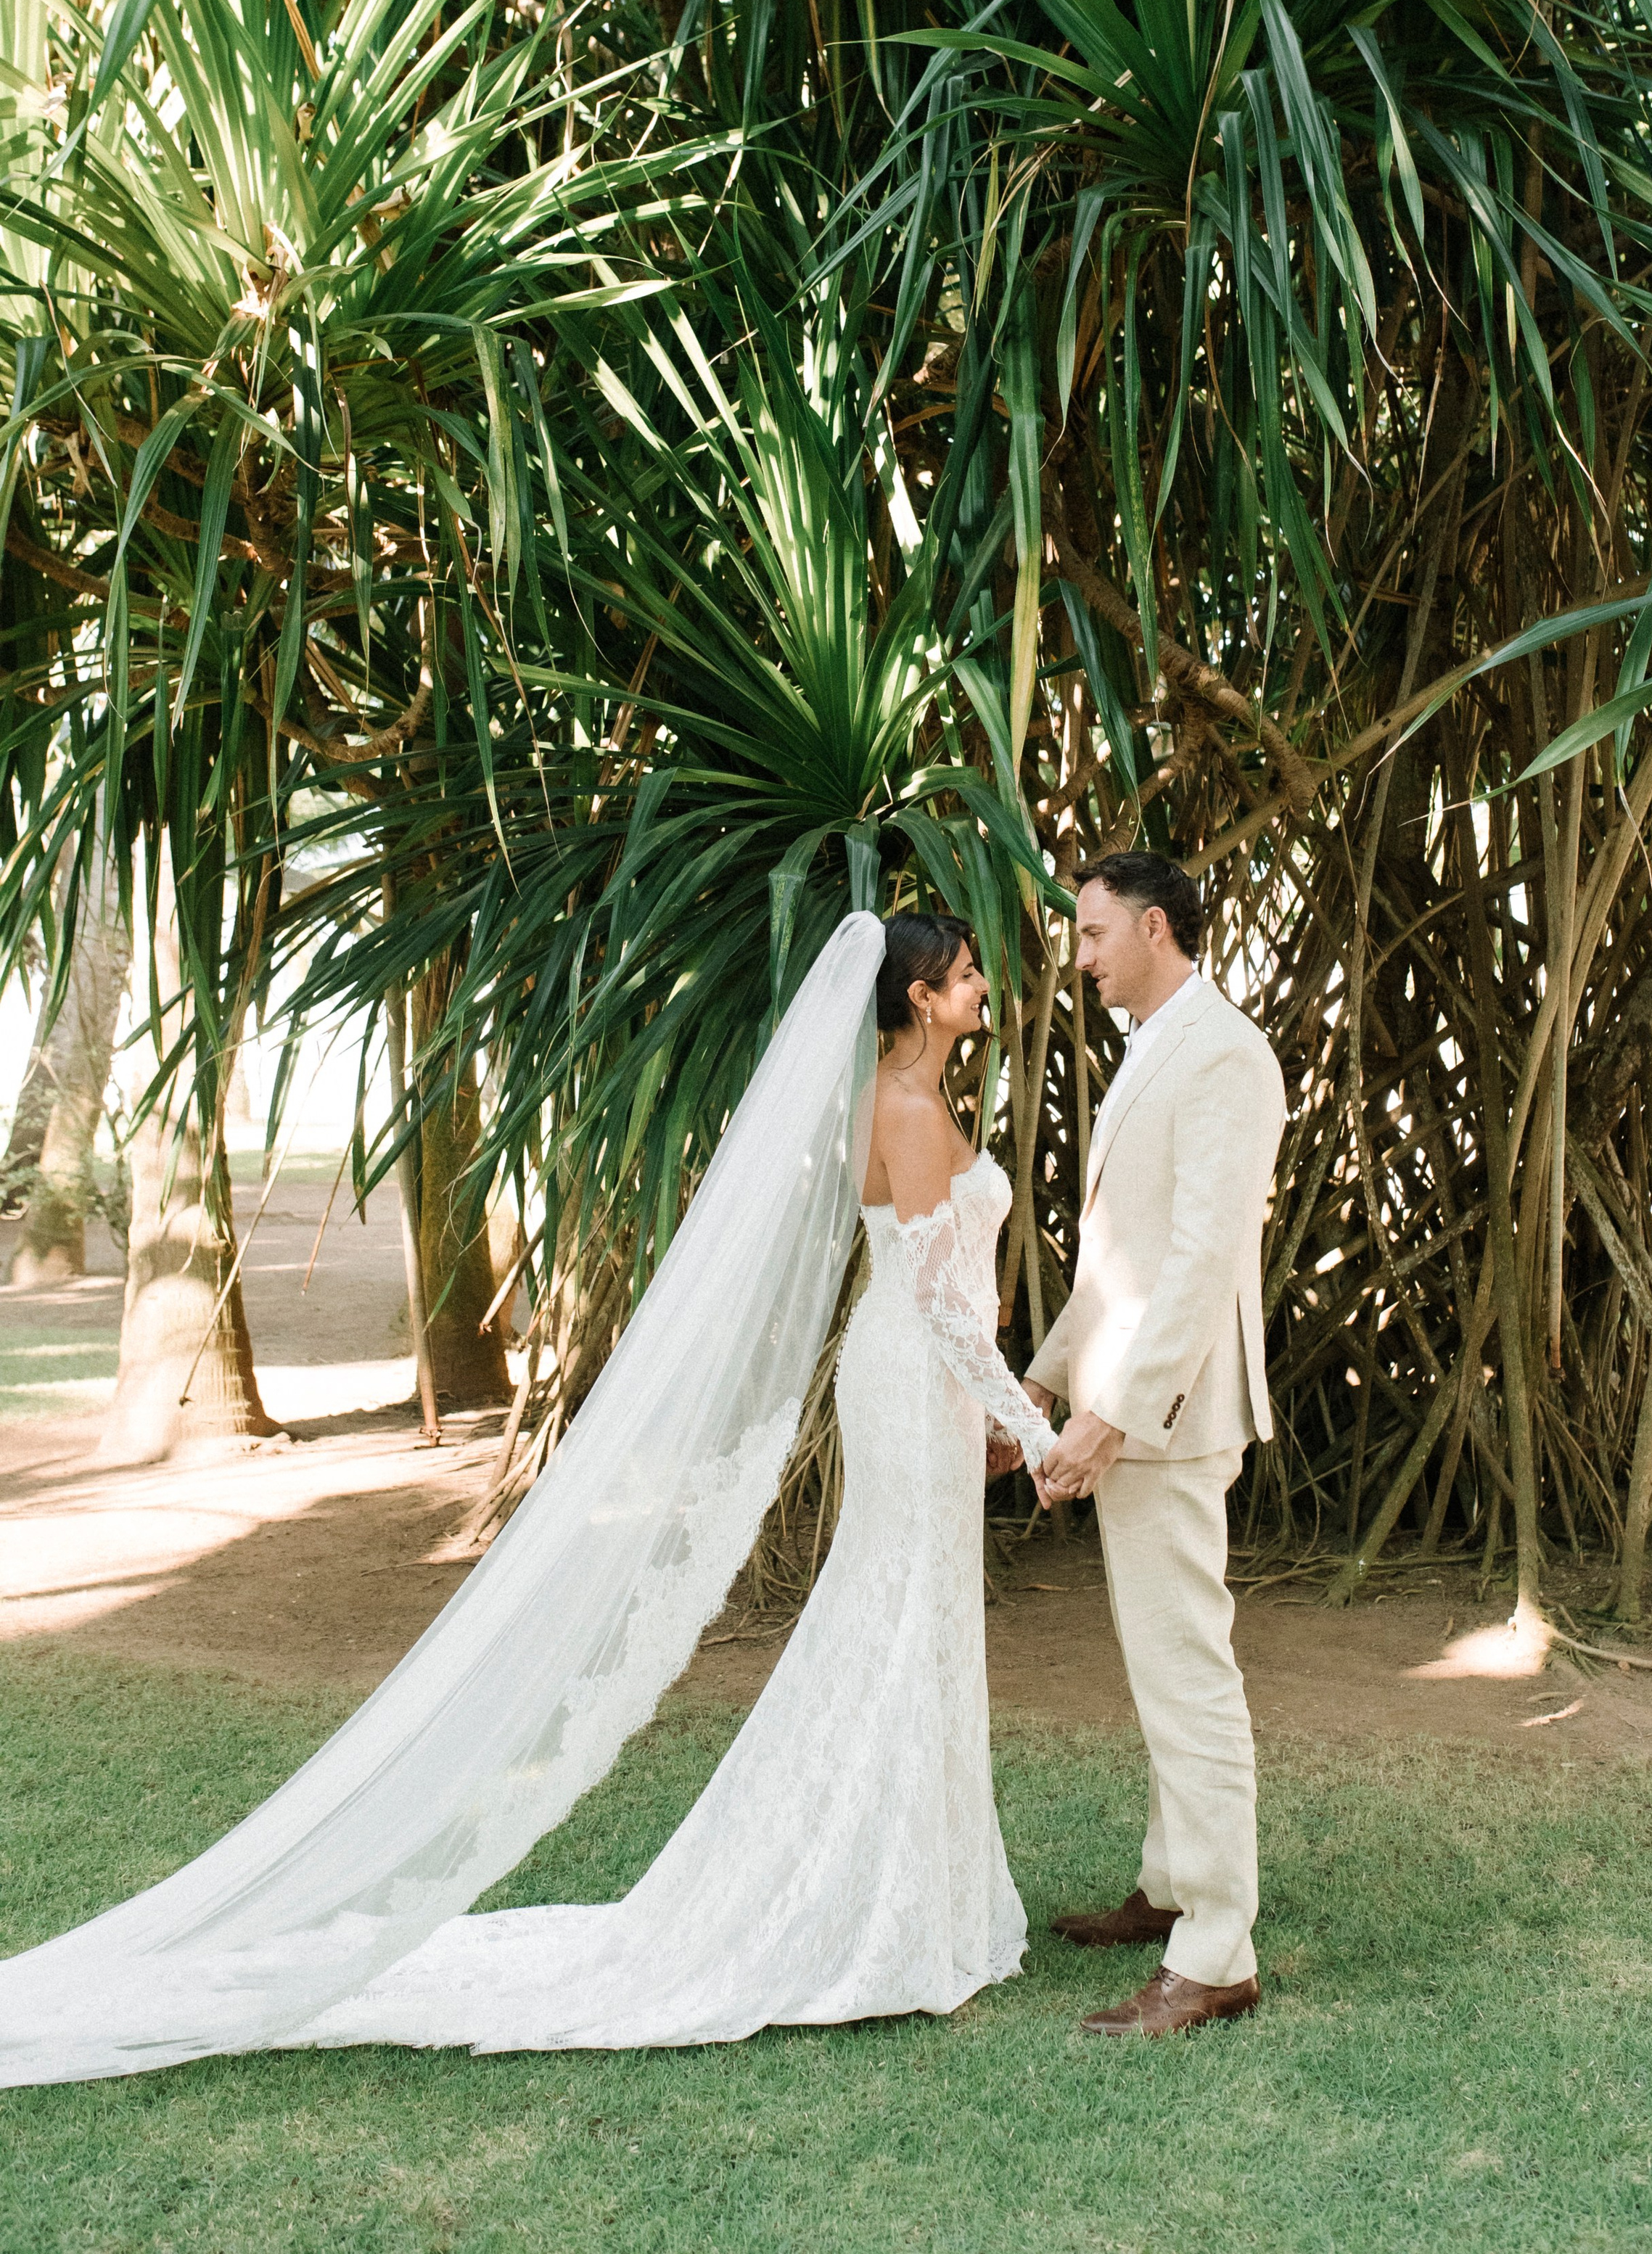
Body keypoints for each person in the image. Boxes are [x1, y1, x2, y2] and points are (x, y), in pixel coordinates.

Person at [0, 909, 1054, 2078]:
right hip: (914, 1382)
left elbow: (951, 1290)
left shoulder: (914, 1099)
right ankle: (875, 1897)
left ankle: (924, 1888)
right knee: (898, 1615)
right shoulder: (904, 1109)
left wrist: (991, 1410)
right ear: (919, 996)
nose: (980, 990)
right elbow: (939, 1298)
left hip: (930, 1387)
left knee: (922, 1619)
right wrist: (1030, 1420)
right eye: (963, 977)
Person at [1020, 850, 1285, 2041]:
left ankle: (1216, 1950)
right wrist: (1038, 1382)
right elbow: (1117, 1263)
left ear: (1156, 930)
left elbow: (1198, 1262)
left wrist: (1115, 1413)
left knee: (1189, 1673)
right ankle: (1175, 1883)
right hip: (1130, 1403)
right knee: (1158, 1661)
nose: (1080, 959)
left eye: (1092, 935)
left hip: (1171, 1421)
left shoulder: (1224, 1053)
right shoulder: (1158, 1048)